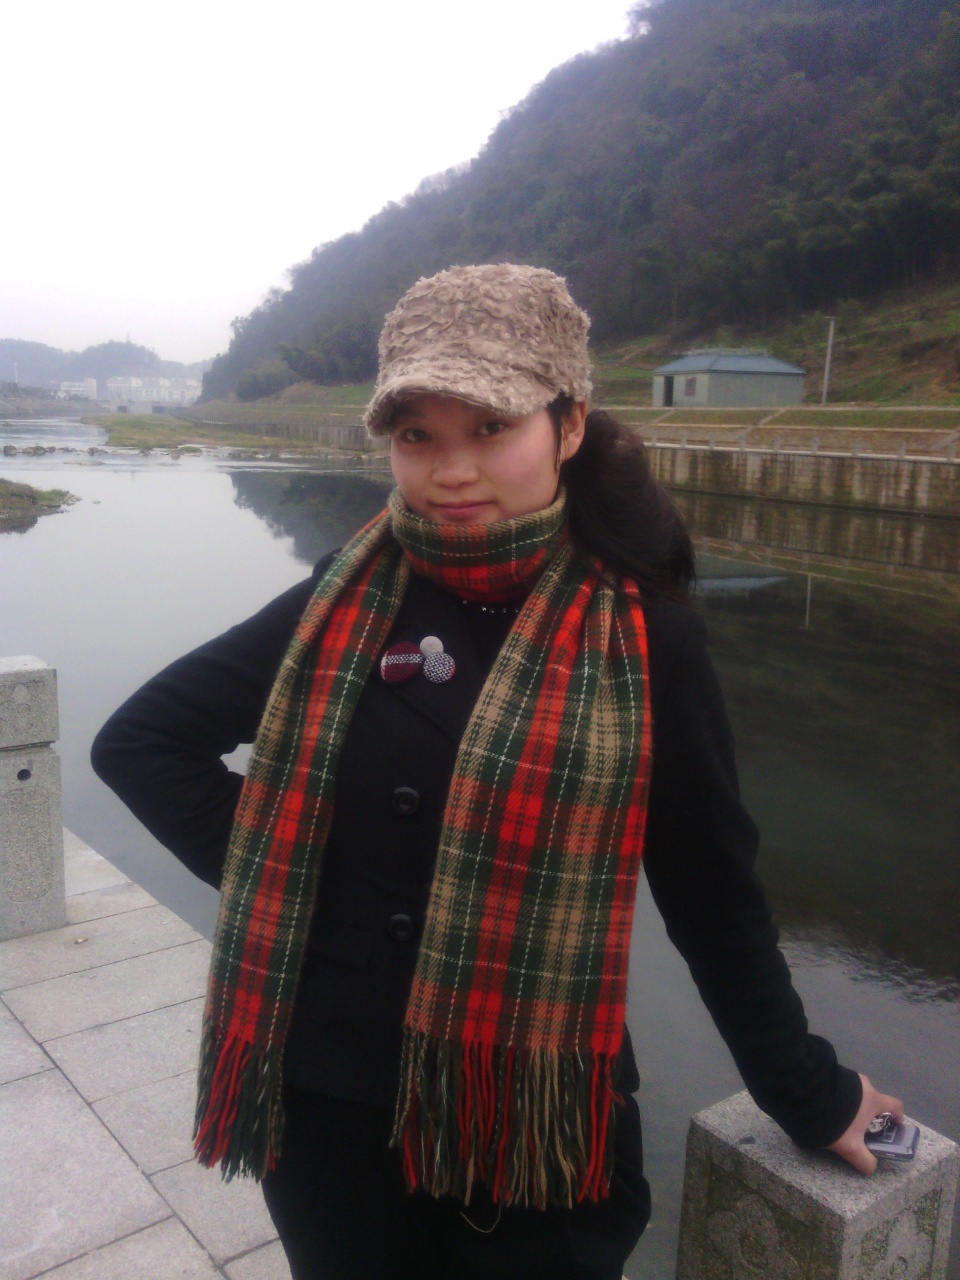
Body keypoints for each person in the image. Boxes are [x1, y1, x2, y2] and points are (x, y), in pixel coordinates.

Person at [91, 264, 902, 1280]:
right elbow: (142, 743)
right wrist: (304, 884)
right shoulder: (346, 596)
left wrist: (806, 1090)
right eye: (417, 435)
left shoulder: (643, 636)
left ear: (569, 425)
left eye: (490, 427)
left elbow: (711, 894)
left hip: (533, 1114)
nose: (452, 470)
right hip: (330, 1103)